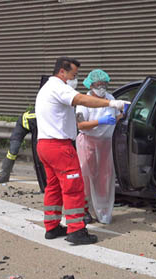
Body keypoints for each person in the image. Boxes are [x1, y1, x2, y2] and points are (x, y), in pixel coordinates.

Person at [35, 57, 127, 245]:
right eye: (73, 74)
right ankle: (76, 230)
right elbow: (81, 99)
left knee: (53, 187)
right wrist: (110, 104)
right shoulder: (58, 87)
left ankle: (51, 226)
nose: (74, 79)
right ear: (62, 72)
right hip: (59, 146)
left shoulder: (46, 88)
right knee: (74, 187)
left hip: (45, 144)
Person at [75, 69, 121, 225]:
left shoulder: (110, 98)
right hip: (88, 143)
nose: (101, 87)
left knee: (104, 179)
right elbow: (81, 124)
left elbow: (115, 117)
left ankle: (102, 211)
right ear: (90, 84)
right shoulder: (84, 101)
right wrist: (100, 121)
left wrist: (123, 114)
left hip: (105, 145)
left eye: (103, 84)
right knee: (86, 178)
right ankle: (84, 209)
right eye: (97, 84)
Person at [0, 76, 49, 189]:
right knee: (14, 150)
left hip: (36, 124)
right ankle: (4, 174)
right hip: (24, 124)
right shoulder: (42, 108)